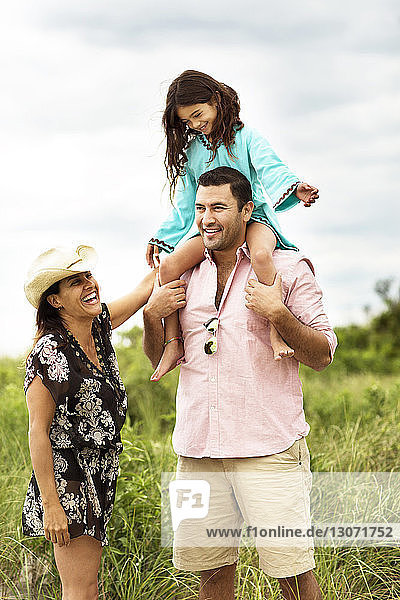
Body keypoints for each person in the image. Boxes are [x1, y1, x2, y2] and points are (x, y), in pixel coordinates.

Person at [143, 167, 337, 600]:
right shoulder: (184, 274)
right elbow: (158, 358)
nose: (206, 219)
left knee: (291, 573)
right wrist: (151, 313)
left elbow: (322, 354)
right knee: (209, 574)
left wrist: (278, 314)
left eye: (218, 208)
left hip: (266, 449)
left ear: (247, 210)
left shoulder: (287, 267)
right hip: (197, 451)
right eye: (200, 208)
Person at [22, 244, 185, 600]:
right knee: (79, 590)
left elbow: (145, 289)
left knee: (88, 587)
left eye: (88, 276)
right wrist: (51, 505)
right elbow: (38, 432)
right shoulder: (50, 351)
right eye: (75, 283)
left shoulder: (97, 327)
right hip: (69, 479)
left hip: (99, 474)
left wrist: (173, 240)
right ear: (55, 301)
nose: (89, 285)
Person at [147, 69, 319, 381]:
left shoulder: (247, 138)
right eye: (187, 122)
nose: (195, 125)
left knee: (263, 257)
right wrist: (162, 237)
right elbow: (188, 204)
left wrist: (294, 187)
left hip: (253, 219)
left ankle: (276, 330)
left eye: (198, 115)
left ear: (216, 101)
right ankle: (174, 342)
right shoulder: (193, 151)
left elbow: (270, 167)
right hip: (214, 227)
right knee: (169, 268)